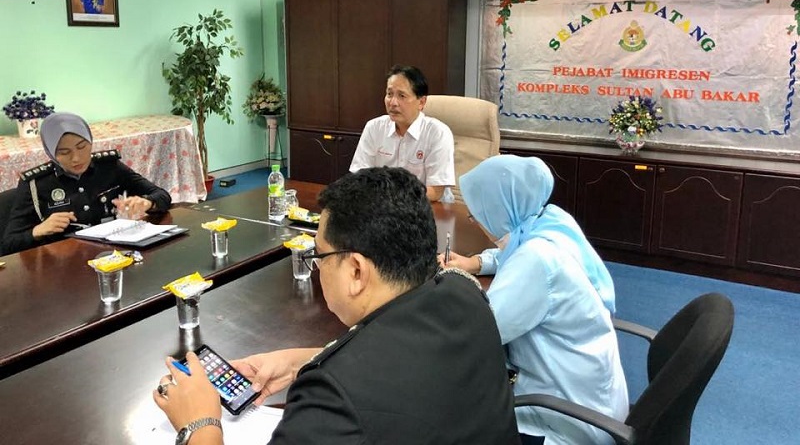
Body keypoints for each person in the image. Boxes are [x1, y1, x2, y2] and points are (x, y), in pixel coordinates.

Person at [153, 167, 521, 445]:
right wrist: (298, 363)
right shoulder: (463, 290)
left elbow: (367, 382)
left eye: (320, 256)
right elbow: (399, 362)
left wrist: (200, 424)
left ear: (357, 271)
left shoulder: (330, 401)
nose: (317, 268)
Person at [440, 155, 628, 445]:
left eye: (477, 215)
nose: (476, 222)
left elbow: (479, 332)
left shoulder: (536, 261)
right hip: (596, 396)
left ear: (499, 211)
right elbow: (512, 250)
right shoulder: (550, 221)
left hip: (566, 421)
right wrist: (475, 262)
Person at [1, 112, 171, 256]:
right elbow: (9, 244)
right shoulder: (35, 184)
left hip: (113, 257)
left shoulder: (109, 166)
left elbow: (162, 196)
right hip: (65, 268)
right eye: (64, 152)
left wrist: (148, 203)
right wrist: (38, 231)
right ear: (51, 153)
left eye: (82, 147)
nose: (76, 158)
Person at [349, 65, 455, 202]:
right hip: (383, 205)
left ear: (421, 102)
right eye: (389, 94)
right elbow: (359, 176)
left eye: (402, 96)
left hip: (428, 207)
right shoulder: (374, 128)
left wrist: (391, 197)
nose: (393, 103)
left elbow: (435, 192)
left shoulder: (438, 133)